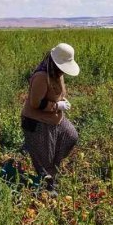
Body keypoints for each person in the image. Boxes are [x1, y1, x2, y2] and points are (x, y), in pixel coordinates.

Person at [21, 43, 80, 190]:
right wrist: (56, 106)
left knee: (70, 136)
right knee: (45, 161)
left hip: (54, 119)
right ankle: (47, 189)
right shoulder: (41, 76)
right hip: (37, 122)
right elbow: (36, 103)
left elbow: (57, 93)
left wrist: (61, 101)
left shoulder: (57, 74)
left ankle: (50, 166)